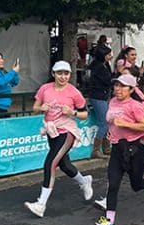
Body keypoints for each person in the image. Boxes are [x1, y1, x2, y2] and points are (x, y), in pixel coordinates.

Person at [93, 74, 144, 225]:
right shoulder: (112, 101)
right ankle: (109, 223)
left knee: (136, 185)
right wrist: (112, 133)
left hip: (134, 150)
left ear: (131, 89)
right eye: (116, 85)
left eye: (122, 86)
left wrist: (124, 123)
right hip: (117, 149)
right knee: (113, 184)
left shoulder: (134, 105)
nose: (118, 89)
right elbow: (111, 122)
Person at [24, 61, 94, 217]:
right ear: (53, 74)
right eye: (60, 73)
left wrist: (73, 112)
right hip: (52, 130)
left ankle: (41, 204)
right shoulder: (45, 89)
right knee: (65, 165)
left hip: (67, 130)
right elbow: (35, 107)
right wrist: (40, 108)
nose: (63, 77)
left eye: (66, 74)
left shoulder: (74, 92)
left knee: (50, 163)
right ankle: (84, 181)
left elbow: (84, 114)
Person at [88, 45, 113, 158]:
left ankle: (106, 147)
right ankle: (96, 150)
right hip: (98, 96)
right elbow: (108, 81)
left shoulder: (104, 65)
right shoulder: (99, 67)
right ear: (102, 56)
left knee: (105, 122)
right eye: (108, 55)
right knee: (104, 123)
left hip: (102, 96)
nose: (110, 56)